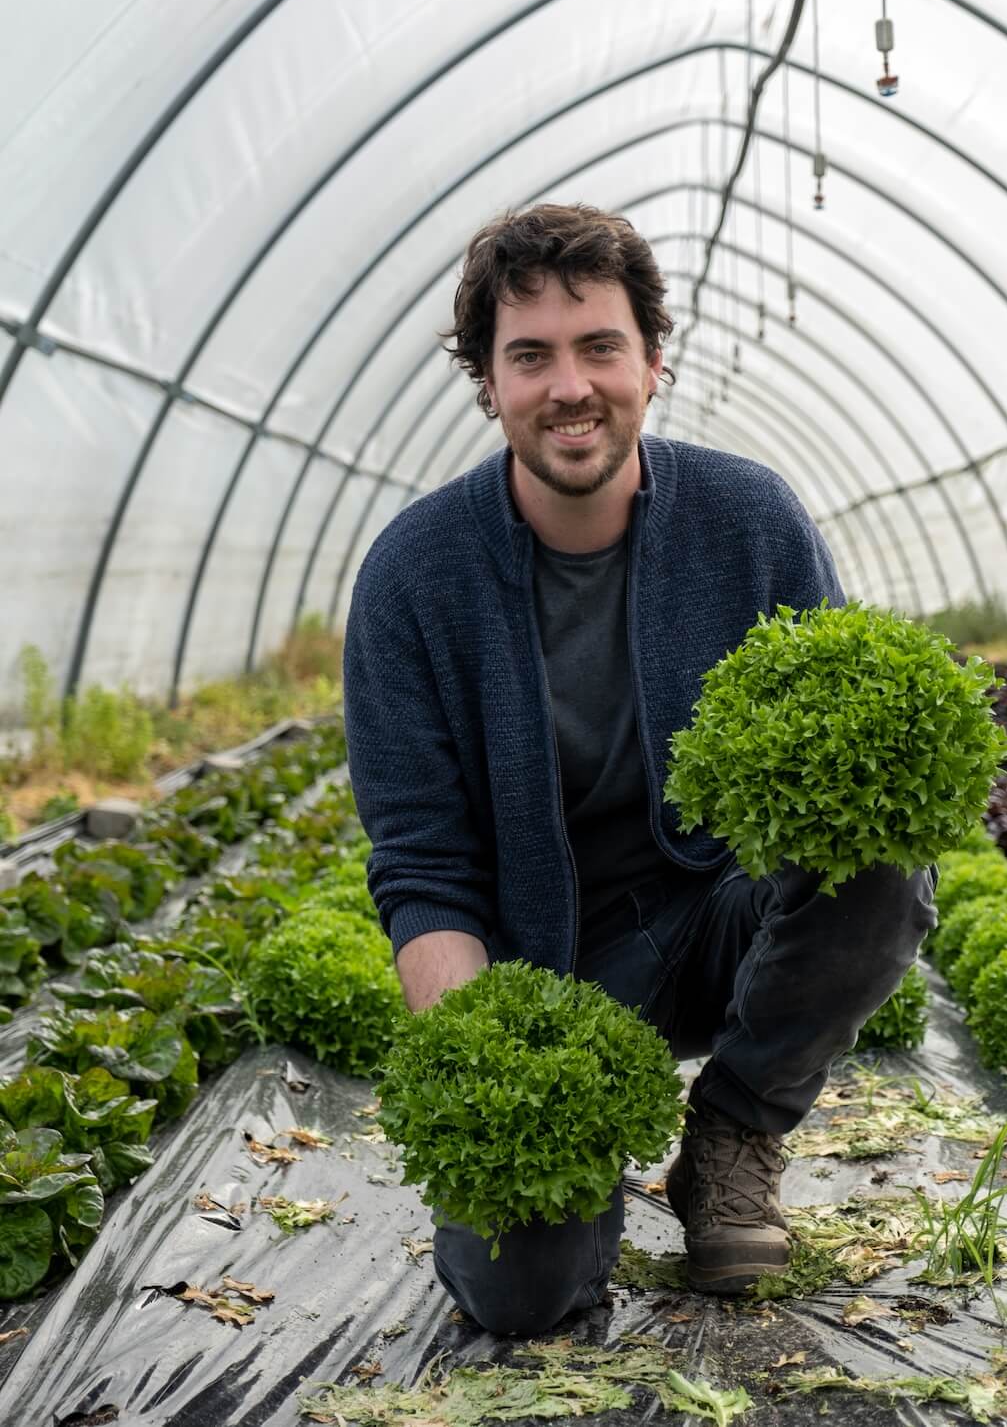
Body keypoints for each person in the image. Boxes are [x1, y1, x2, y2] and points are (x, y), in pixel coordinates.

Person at [342, 202, 938, 1336]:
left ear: (652, 363)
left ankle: (729, 1138)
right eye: (531, 356)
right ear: (487, 384)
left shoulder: (747, 520)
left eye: (599, 346)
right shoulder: (416, 575)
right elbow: (422, 864)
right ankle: (589, 1165)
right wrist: (492, 1071)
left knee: (880, 838)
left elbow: (843, 741)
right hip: (544, 974)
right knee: (522, 1298)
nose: (570, 385)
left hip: (719, 919)